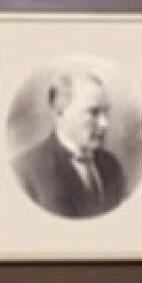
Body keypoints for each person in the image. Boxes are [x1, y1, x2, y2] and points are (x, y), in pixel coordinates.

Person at [13, 71, 127, 219]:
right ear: (59, 112)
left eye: (106, 112)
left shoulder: (112, 166)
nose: (104, 124)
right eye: (93, 112)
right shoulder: (25, 171)